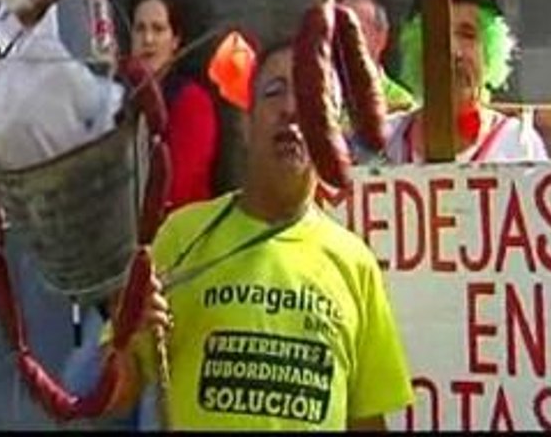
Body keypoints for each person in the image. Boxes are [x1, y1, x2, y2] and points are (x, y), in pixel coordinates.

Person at [94, 42, 414, 430]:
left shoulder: (355, 263)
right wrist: (127, 331)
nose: (292, 108)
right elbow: (113, 397)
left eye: (314, 96)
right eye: (275, 92)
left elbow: (369, 421)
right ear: (246, 124)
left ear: (335, 131)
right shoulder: (183, 235)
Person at [385, 0, 549, 163]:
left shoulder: (519, 146)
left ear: (489, 52)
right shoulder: (385, 143)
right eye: (438, 32)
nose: (453, 50)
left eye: (468, 34)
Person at [130, 0, 219, 215]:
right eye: (140, 29)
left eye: (158, 29)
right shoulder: (118, 98)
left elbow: (178, 187)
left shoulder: (192, 101)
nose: (148, 39)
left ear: (175, 41)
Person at [338, 0, 416, 114]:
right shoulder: (321, 100)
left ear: (381, 38)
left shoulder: (401, 106)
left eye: (356, 32)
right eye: (338, 33)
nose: (344, 42)